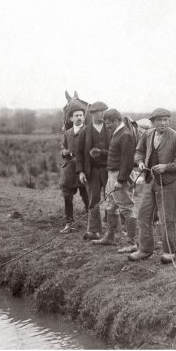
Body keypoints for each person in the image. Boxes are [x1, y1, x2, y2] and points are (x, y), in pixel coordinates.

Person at [128, 108, 176, 264]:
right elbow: (138, 151)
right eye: (159, 120)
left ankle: (169, 251)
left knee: (166, 218)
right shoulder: (148, 134)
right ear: (153, 122)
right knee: (143, 215)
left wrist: (166, 167)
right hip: (150, 182)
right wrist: (141, 162)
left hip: (168, 184)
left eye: (166, 120)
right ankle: (144, 249)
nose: (163, 123)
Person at [92, 109, 138, 246]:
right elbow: (117, 154)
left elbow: (127, 160)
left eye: (108, 124)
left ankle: (132, 243)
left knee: (127, 209)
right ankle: (109, 237)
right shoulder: (117, 133)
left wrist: (121, 180)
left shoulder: (125, 135)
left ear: (116, 121)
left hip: (119, 177)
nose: (107, 126)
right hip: (112, 175)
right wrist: (101, 153)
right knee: (111, 207)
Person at [76, 101, 111, 240]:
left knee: (112, 199)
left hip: (109, 170)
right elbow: (78, 153)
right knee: (93, 200)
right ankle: (93, 230)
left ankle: (112, 230)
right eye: (98, 112)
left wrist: (101, 152)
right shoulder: (85, 131)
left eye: (103, 111)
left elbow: (115, 151)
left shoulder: (110, 129)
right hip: (92, 172)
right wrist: (81, 172)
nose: (101, 114)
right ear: (92, 114)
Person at [59, 101, 90, 232]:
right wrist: (64, 152)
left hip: (83, 169)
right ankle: (69, 223)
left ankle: (91, 223)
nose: (78, 118)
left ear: (84, 117)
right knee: (67, 196)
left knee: (87, 195)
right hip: (69, 169)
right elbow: (63, 147)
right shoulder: (67, 133)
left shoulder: (89, 131)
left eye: (81, 115)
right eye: (76, 115)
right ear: (71, 118)